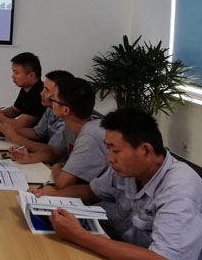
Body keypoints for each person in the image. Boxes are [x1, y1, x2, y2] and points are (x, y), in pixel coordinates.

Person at [30, 109, 202, 260]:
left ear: (145, 151)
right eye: (109, 149)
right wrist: (50, 197)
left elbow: (161, 257)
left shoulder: (180, 189)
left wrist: (79, 236)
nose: (110, 158)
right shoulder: (127, 169)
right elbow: (91, 191)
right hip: (116, 245)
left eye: (116, 150)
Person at [10, 77, 109, 188]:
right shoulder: (72, 125)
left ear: (65, 110)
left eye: (54, 100)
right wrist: (29, 157)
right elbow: (54, 152)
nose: (51, 102)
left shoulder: (90, 136)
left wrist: (56, 166)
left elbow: (63, 183)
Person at [0, 70, 73, 152]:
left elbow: (52, 152)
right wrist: (8, 130)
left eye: (47, 90)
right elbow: (37, 133)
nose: (41, 93)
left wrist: (15, 137)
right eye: (43, 88)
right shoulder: (50, 108)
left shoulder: (67, 123)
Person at [0, 52, 47, 128]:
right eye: (13, 72)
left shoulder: (39, 93)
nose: (13, 76)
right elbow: (15, 110)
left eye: (16, 73)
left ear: (31, 75)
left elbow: (20, 125)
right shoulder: (26, 88)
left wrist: (0, 118)